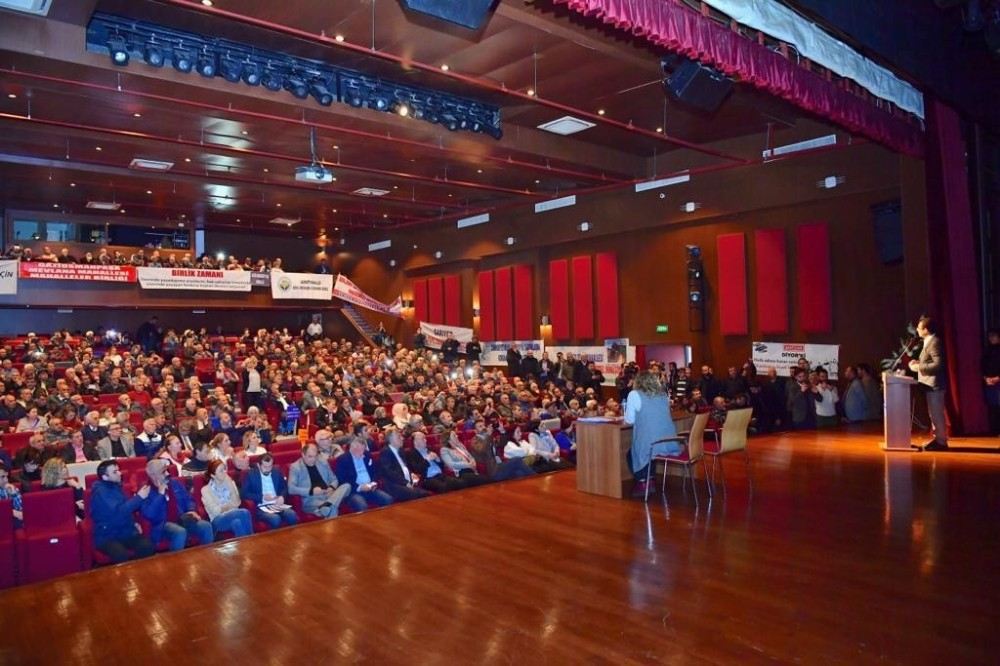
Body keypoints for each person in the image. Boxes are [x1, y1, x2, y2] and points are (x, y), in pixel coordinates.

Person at [623, 371, 680, 498]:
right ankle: (651, 479)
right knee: (652, 451)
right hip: (669, 439)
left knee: (633, 453)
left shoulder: (634, 394)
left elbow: (630, 420)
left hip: (651, 441)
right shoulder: (663, 395)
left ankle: (643, 481)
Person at [140, 458, 215, 550]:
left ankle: (206, 556)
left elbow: (189, 499)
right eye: (163, 472)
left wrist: (191, 510)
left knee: (205, 526)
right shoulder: (146, 491)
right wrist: (160, 495)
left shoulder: (174, 483)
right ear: (153, 476)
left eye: (167, 470)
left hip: (182, 518)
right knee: (180, 532)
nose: (167, 474)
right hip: (162, 525)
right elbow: (149, 514)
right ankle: (176, 563)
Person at [89, 460, 155, 563]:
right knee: (120, 554)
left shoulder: (116, 487)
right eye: (115, 472)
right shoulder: (101, 492)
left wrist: (134, 523)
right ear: (105, 477)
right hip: (107, 535)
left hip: (124, 531)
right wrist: (139, 497)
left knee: (147, 546)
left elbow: (125, 508)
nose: (120, 473)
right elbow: (120, 511)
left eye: (118, 470)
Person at [909, 315, 949, 450]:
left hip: (935, 384)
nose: (917, 330)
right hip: (929, 384)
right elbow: (930, 361)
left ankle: (941, 442)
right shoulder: (928, 341)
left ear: (926, 329)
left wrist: (918, 367)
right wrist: (919, 362)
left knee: (937, 413)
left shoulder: (935, 341)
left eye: (919, 327)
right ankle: (938, 439)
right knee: (933, 413)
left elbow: (938, 365)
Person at [287, 443, 350, 518]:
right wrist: (311, 491)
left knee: (347, 486)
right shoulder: (296, 467)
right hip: (312, 499)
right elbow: (291, 489)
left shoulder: (322, 462)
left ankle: (325, 506)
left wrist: (331, 487)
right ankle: (328, 506)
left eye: (315, 456)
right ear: (303, 455)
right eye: (310, 456)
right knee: (332, 509)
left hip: (328, 494)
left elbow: (334, 479)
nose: (313, 459)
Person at [335, 437, 393, 512]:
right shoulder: (343, 459)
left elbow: (375, 471)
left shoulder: (367, 455)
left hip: (370, 488)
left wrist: (373, 483)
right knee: (361, 505)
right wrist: (359, 487)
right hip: (354, 491)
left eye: (363, 450)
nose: (362, 453)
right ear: (352, 448)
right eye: (359, 450)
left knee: (388, 499)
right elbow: (342, 480)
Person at [242, 453, 298, 529]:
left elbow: (285, 487)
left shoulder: (276, 471)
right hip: (262, 506)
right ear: (259, 465)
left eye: (270, 466)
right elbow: (244, 494)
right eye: (265, 467)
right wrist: (262, 497)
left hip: (277, 504)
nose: (268, 469)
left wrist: (282, 497)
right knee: (275, 519)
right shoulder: (251, 475)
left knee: (292, 515)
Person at [200, 459, 254, 538]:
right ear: (213, 475)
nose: (225, 472)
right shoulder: (205, 490)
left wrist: (229, 483)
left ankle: (245, 546)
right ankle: (252, 540)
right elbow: (216, 511)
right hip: (218, 520)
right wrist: (230, 506)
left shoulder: (229, 482)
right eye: (221, 471)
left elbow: (237, 502)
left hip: (235, 514)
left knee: (237, 523)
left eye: (224, 469)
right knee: (244, 512)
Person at [377, 428, 431, 502]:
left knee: (426, 493)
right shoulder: (385, 452)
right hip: (395, 485)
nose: (402, 438)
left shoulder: (401, 450)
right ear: (391, 439)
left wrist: (411, 473)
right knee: (423, 495)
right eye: (399, 437)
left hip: (406, 482)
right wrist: (405, 482)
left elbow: (404, 467)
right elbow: (389, 473)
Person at [982, 329, 1000, 435]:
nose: (991, 338)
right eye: (990, 336)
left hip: (998, 381)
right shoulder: (987, 350)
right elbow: (982, 366)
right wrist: (985, 378)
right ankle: (995, 430)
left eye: (994, 336)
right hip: (989, 381)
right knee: (993, 406)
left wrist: (998, 378)